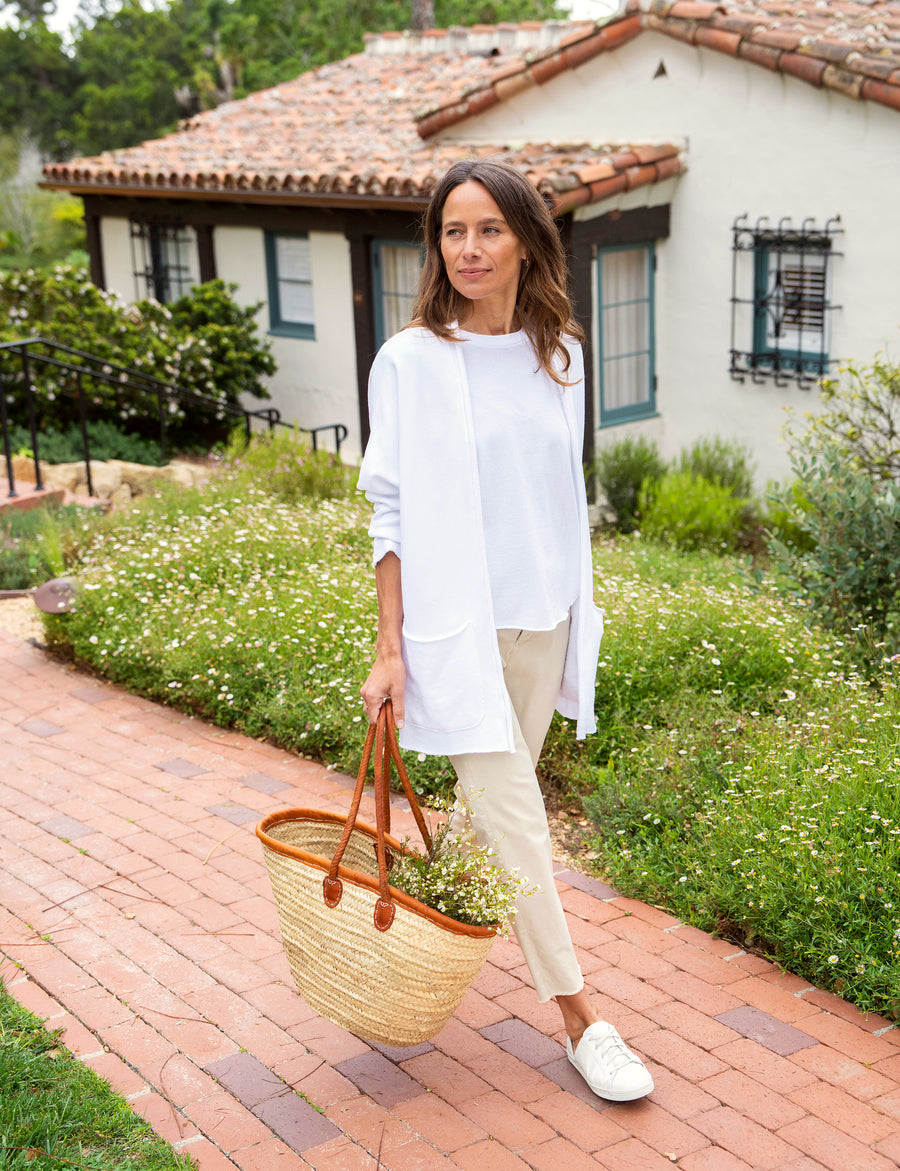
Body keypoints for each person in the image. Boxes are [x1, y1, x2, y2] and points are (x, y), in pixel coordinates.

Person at [357, 158, 653, 1103]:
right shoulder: (410, 361)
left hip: (545, 622)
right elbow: (390, 511)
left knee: (487, 826)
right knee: (521, 824)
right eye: (454, 231)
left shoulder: (560, 356)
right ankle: (582, 1020)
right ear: (437, 245)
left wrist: (577, 608)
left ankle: (408, 955)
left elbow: (559, 496)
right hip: (459, 636)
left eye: (489, 229)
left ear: (525, 240)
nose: (470, 248)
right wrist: (390, 648)